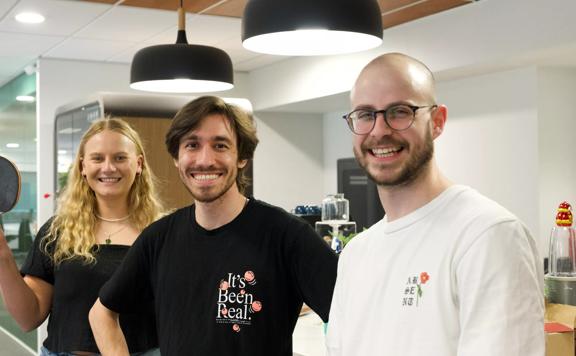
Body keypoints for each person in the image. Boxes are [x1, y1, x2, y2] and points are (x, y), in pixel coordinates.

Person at [326, 53, 544, 356]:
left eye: (399, 111)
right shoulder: (355, 254)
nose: (378, 130)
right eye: (365, 114)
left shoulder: (488, 235)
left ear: (437, 121)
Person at [89, 96, 338, 356]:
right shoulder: (158, 239)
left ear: (242, 156)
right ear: (177, 157)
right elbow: (102, 312)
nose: (205, 159)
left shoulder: (287, 236)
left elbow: (353, 317)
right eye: (192, 145)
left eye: (220, 145)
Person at [0, 118, 163, 355]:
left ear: (138, 164)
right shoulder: (57, 231)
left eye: (119, 157)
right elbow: (29, 318)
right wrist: (3, 257)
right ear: (83, 167)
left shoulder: (161, 233)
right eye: (97, 158)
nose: (108, 167)